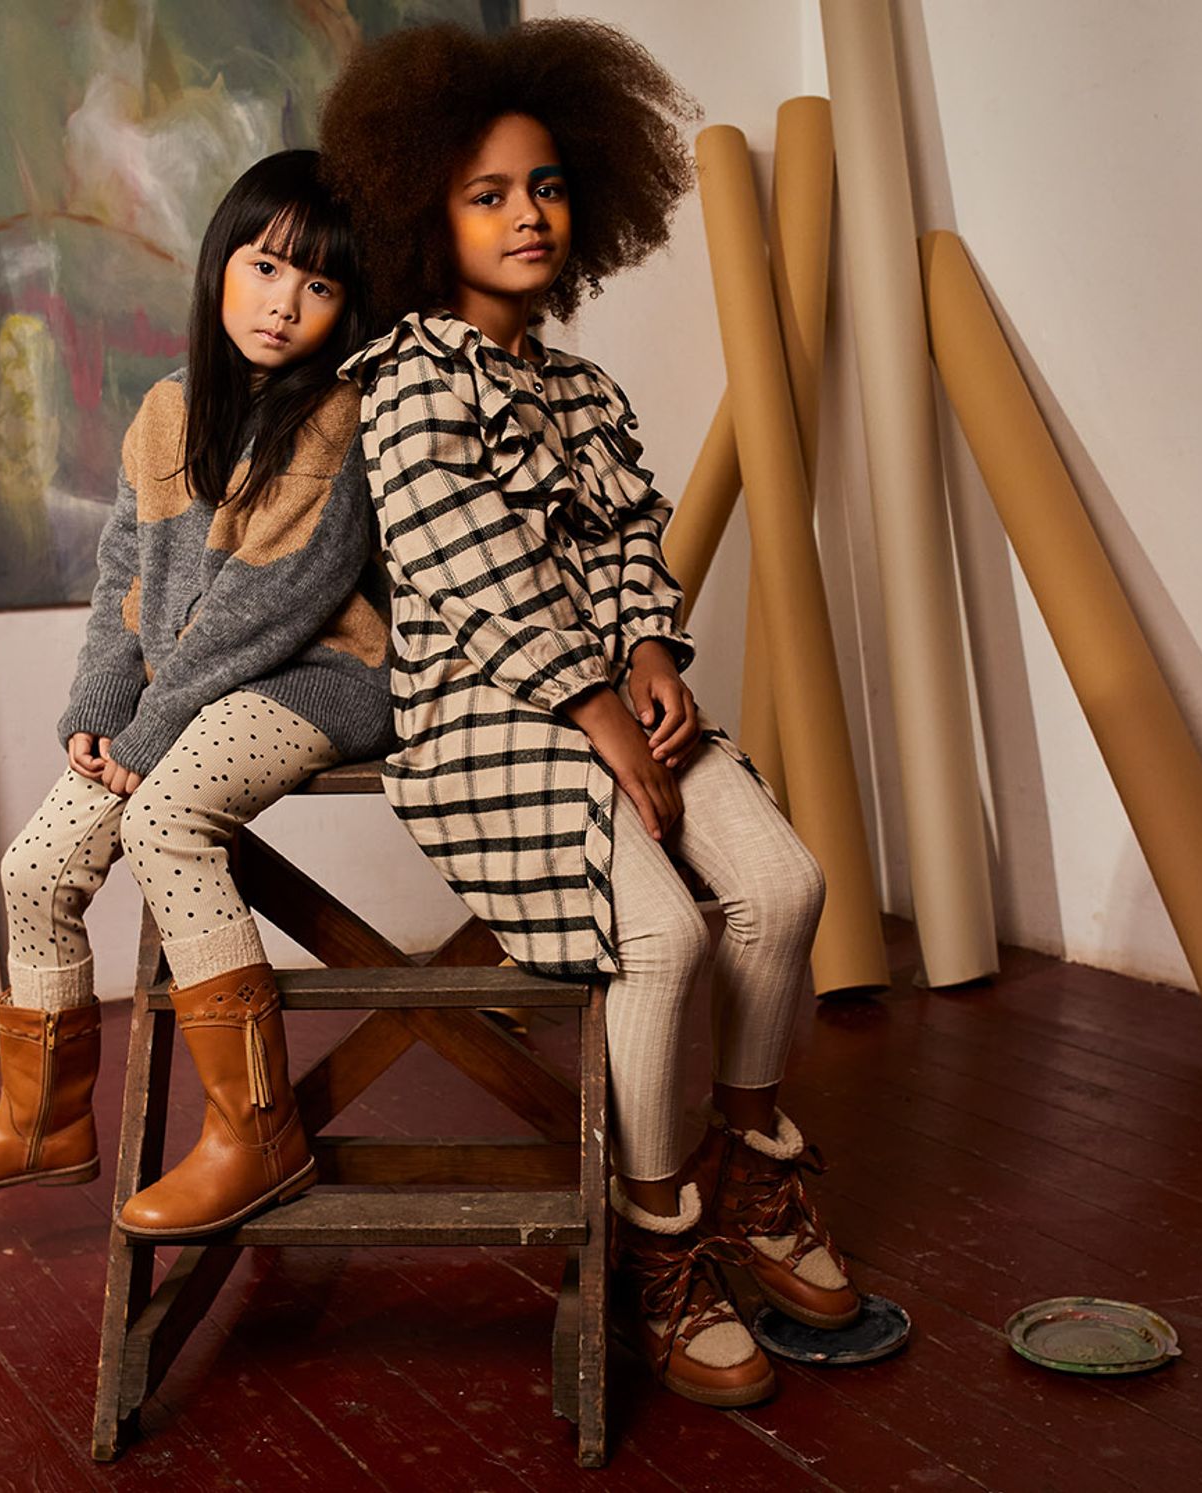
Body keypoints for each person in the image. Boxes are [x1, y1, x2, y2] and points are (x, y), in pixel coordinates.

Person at [319, 21, 854, 1408]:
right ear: (425, 211)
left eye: (548, 186)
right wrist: (602, 714)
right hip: (481, 719)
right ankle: (657, 1232)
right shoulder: (406, 384)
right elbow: (470, 577)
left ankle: (752, 1173)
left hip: (615, 696)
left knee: (786, 886)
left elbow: (632, 536)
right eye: (488, 193)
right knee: (664, 932)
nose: (527, 216)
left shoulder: (583, 390)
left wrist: (654, 653)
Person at [0, 150, 392, 1242]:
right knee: (33, 865)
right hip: (183, 697)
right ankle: (43, 1120)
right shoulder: (164, 412)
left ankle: (256, 1130)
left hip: (318, 675)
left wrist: (150, 728)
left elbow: (270, 604)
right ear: (222, 260)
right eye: (267, 267)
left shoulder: (337, 417)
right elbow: (123, 577)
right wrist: (96, 702)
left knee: (166, 816)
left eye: (318, 287)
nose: (284, 304)